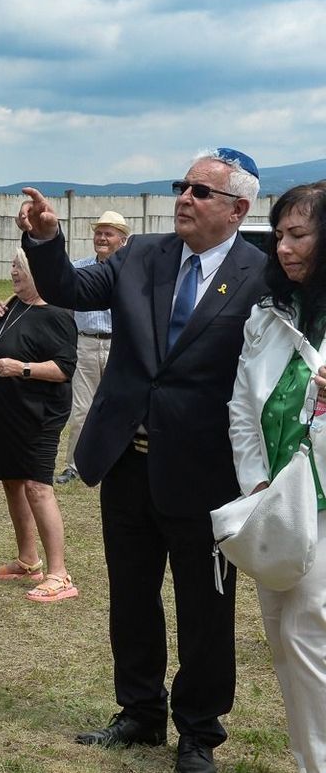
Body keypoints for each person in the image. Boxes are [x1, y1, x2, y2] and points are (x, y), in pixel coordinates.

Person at [20, 147, 267, 773]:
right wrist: (49, 240)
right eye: (181, 187)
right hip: (127, 461)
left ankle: (199, 731)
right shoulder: (141, 255)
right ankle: (138, 710)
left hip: (205, 471)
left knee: (204, 608)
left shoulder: (260, 275)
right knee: (131, 596)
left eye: (201, 192)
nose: (184, 197)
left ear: (238, 208)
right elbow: (68, 290)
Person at [228, 182, 326, 773]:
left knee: (309, 629)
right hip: (276, 501)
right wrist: (254, 483)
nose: (283, 248)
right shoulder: (268, 314)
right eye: (280, 236)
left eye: (299, 235)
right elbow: (243, 407)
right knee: (282, 633)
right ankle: (307, 755)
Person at [0, 248, 78, 602]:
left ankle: (60, 574)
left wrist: (23, 369)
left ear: (38, 271)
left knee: (36, 486)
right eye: (13, 264)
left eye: (19, 266)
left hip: (39, 415)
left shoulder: (56, 314)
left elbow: (65, 368)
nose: (13, 271)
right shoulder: (13, 305)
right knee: (13, 481)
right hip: (8, 413)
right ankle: (27, 559)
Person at [55, 210, 130, 485]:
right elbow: (65, 308)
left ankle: (114, 462)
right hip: (85, 343)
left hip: (119, 345)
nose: (101, 238)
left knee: (118, 407)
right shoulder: (79, 268)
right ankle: (75, 465)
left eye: (108, 233)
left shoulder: (130, 271)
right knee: (82, 409)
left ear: (122, 240)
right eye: (98, 233)